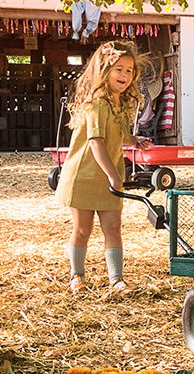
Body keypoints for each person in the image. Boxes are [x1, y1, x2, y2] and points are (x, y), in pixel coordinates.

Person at [55, 39, 149, 294]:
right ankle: (77, 276)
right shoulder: (97, 102)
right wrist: (113, 174)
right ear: (104, 71)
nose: (125, 75)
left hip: (109, 177)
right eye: (119, 69)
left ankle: (117, 279)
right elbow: (95, 141)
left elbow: (114, 132)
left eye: (129, 70)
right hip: (85, 175)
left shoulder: (118, 103)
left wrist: (132, 139)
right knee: (83, 229)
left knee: (113, 227)